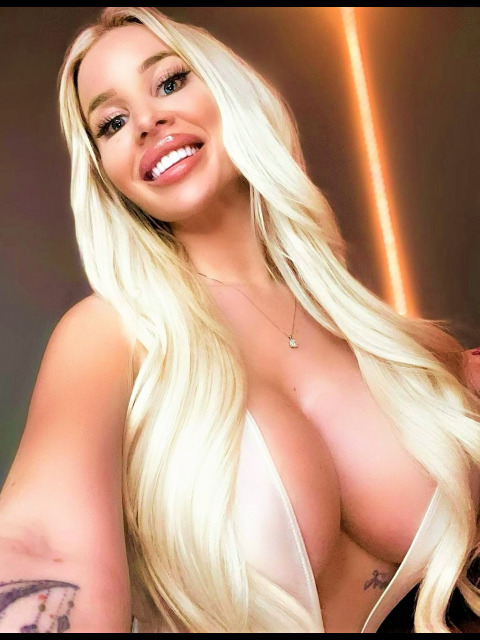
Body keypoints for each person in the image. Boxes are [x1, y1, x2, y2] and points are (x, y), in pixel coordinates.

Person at [0, 6, 479, 634]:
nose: (146, 122)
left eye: (170, 82)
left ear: (231, 92)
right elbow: (42, 548)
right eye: (112, 122)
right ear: (107, 176)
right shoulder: (110, 337)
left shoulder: (398, 349)